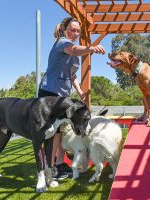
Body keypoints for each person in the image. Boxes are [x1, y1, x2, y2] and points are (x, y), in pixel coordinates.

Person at [38, 17, 106, 180]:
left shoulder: (71, 50)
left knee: (61, 130)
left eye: (77, 31)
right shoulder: (62, 42)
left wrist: (80, 90)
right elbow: (75, 50)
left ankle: (60, 164)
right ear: (64, 29)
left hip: (62, 95)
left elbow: (72, 74)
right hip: (49, 93)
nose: (75, 33)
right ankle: (50, 166)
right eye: (72, 30)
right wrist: (91, 48)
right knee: (52, 133)